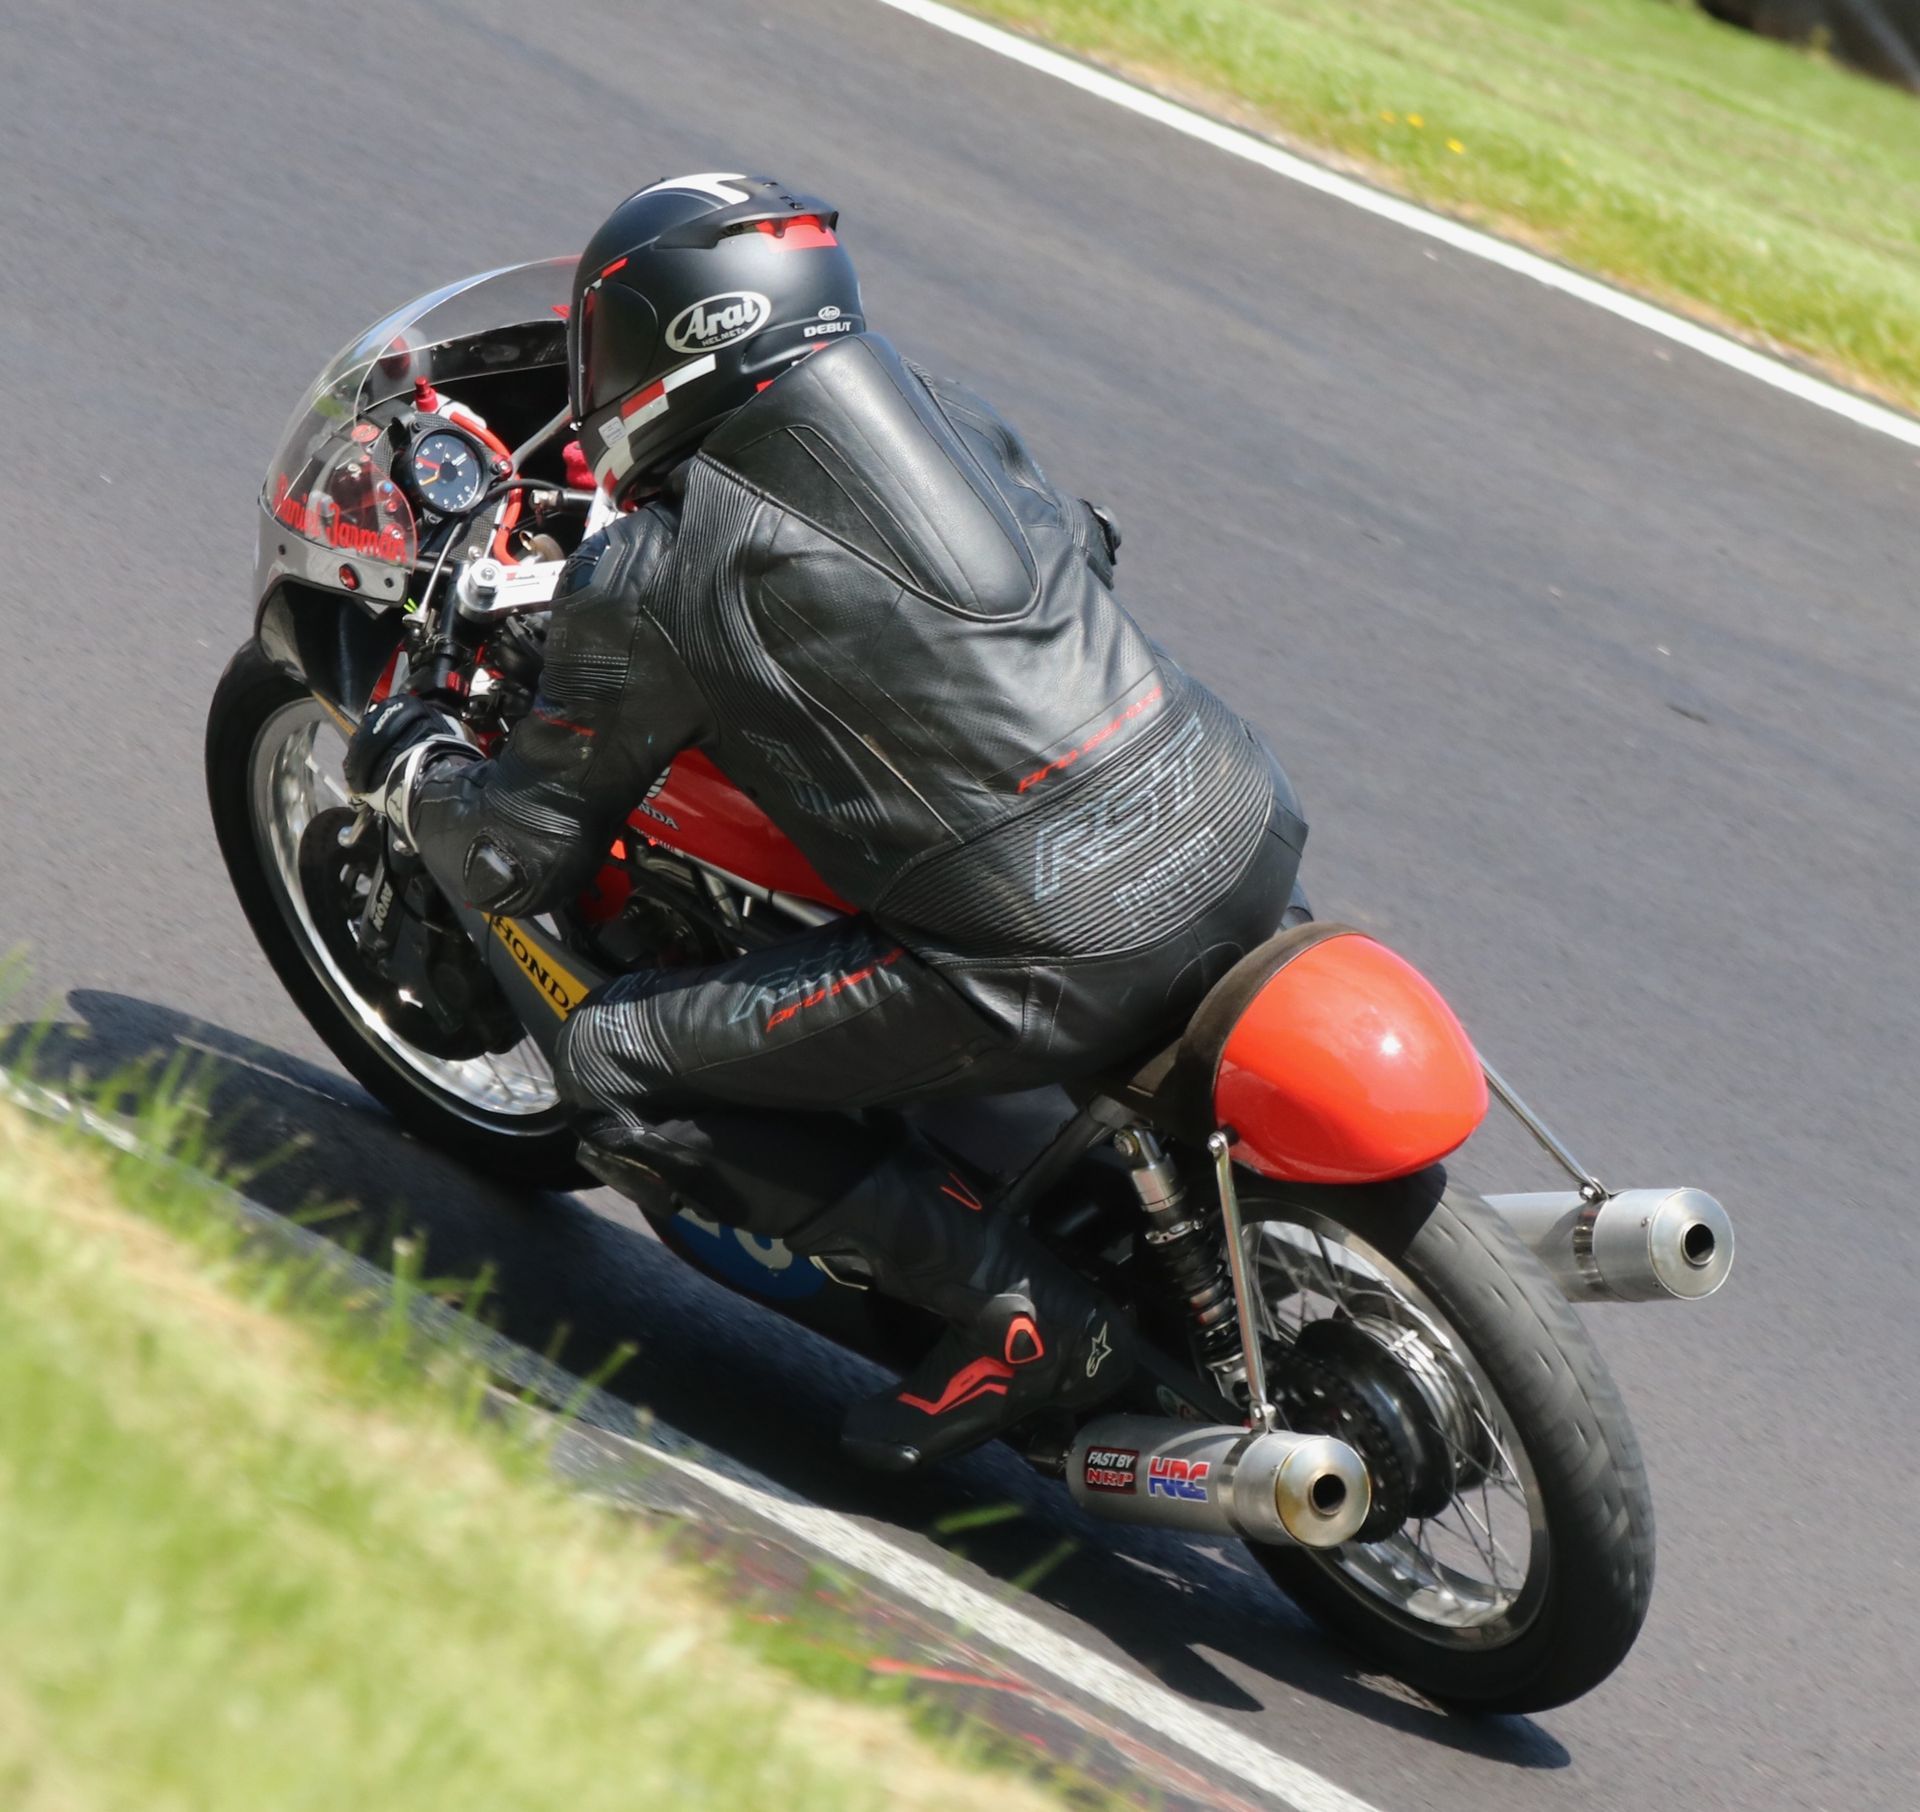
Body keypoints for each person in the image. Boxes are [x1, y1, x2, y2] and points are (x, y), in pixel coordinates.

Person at [345, 173, 1308, 1471]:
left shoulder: (659, 568)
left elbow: (519, 854)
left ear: (666, 352)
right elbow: (1084, 541)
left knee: (618, 1062)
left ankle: (1021, 1314)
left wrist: (412, 765)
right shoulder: (941, 409)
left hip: (1050, 947)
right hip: (1238, 814)